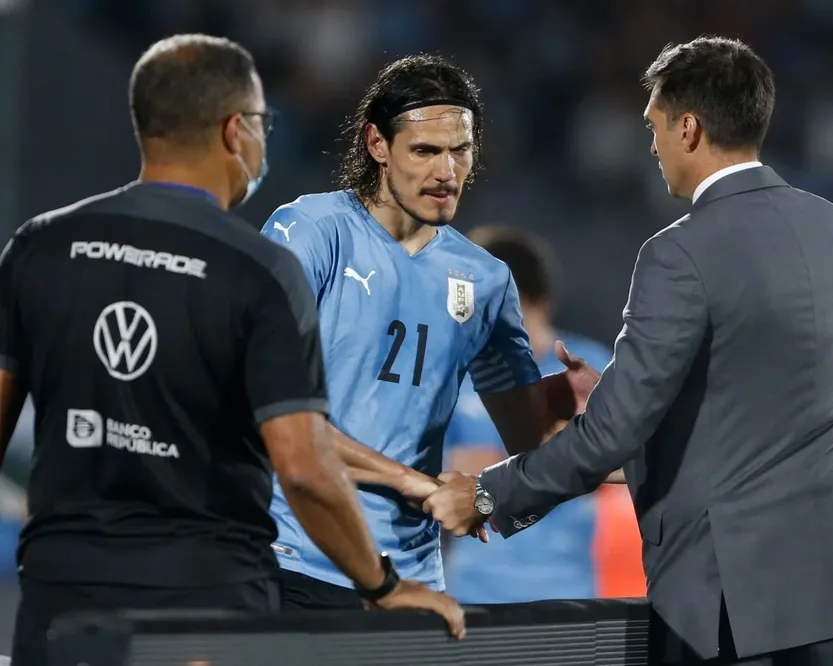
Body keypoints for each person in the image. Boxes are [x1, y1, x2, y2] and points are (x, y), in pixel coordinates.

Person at [424, 36, 833, 665]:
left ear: (688, 128)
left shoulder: (679, 252)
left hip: (733, 599)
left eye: (653, 126)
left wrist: (488, 495)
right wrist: (631, 393)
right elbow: (761, 399)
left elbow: (606, 439)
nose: (650, 146)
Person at [0, 35, 463, 664]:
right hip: (206, 609)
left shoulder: (41, 245)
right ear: (235, 130)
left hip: (61, 597)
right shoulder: (259, 271)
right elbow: (303, 468)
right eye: (263, 123)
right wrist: (381, 584)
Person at [260, 54, 597, 610]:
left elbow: (529, 446)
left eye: (459, 150)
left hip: (415, 583)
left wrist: (577, 417)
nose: (446, 172)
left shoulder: (485, 282)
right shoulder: (310, 234)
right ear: (376, 144)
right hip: (296, 560)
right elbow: (276, 417)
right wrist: (411, 481)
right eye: (424, 151)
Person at [442, 225, 645, 603]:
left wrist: (507, 464)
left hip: (566, 584)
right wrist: (556, 455)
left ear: (539, 303)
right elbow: (444, 478)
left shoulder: (589, 367)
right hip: (474, 586)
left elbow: (621, 466)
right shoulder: (457, 373)